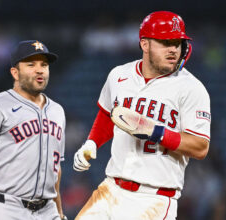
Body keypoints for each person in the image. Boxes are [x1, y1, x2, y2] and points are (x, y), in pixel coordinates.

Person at [73, 11, 211, 219]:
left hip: (153, 199)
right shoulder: (119, 75)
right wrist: (92, 143)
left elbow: (200, 146)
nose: (173, 49)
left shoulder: (192, 88)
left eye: (177, 42)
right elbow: (108, 113)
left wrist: (156, 132)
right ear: (144, 44)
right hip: (110, 188)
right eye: (165, 42)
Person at [0, 40, 67, 220]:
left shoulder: (57, 111)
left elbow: (55, 169)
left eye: (44, 65)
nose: (39, 70)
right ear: (15, 73)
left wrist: (59, 211)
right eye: (31, 64)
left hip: (48, 210)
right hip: (8, 208)